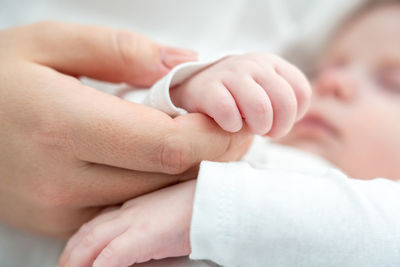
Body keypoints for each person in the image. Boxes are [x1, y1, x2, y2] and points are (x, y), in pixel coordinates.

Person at [0, 0, 366, 266]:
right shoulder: (257, 145)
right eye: (326, 67)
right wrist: (186, 93)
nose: (334, 82)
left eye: (392, 84)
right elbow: (111, 124)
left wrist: (216, 208)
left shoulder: (347, 214)